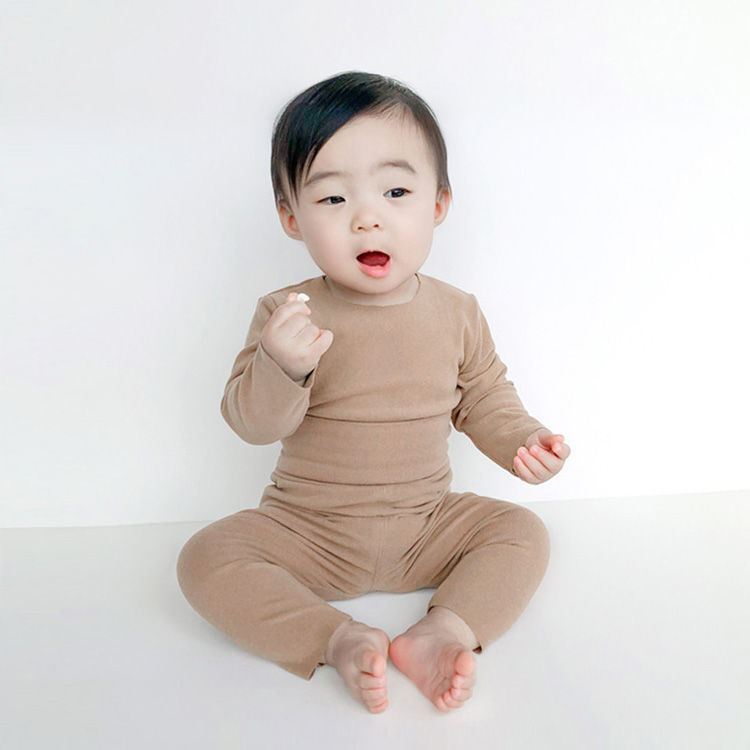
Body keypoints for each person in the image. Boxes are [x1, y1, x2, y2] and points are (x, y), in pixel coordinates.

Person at [176, 70, 571, 715]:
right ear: (291, 216)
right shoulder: (287, 313)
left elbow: (484, 398)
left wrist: (523, 441)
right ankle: (334, 638)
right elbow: (252, 424)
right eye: (333, 199)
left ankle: (443, 631)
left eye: (395, 192)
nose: (367, 219)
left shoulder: (457, 311)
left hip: (427, 525)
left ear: (437, 204)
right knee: (205, 558)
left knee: (523, 532)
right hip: (309, 531)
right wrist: (281, 364)